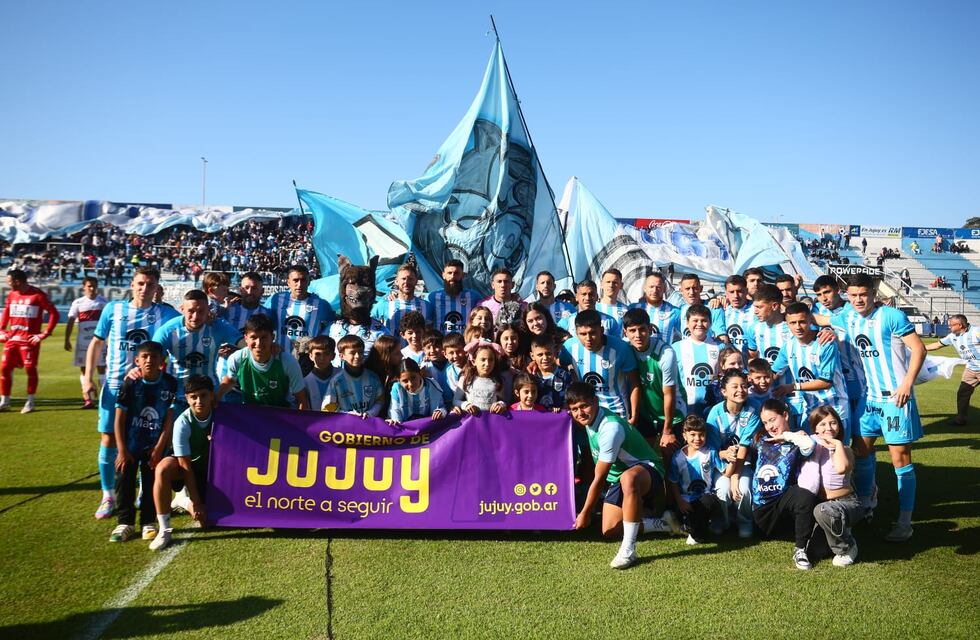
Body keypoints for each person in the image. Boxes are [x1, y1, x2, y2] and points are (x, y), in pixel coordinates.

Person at [814, 273, 926, 542]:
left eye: (863, 295)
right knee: (861, 451)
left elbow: (919, 349)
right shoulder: (847, 316)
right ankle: (865, 505)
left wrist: (906, 385)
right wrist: (788, 306)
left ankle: (904, 521)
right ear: (847, 296)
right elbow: (819, 319)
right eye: (853, 295)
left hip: (895, 398)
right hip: (868, 398)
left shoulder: (891, 316)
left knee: (900, 460)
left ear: (873, 294)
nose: (858, 300)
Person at [84, 267, 180, 519]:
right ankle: (108, 495)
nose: (144, 288)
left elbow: (190, 319)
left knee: (146, 440)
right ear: (132, 284)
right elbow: (96, 342)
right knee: (109, 439)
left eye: (149, 284)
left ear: (157, 287)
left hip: (151, 389)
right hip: (116, 386)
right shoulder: (112, 310)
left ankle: (140, 491)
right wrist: (87, 378)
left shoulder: (166, 313)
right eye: (140, 283)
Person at [567, 382, 678, 570]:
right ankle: (662, 523)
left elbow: (600, 477)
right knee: (610, 530)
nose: (580, 413)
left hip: (648, 472)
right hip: (620, 477)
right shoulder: (588, 419)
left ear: (595, 401)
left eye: (584, 406)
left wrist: (585, 512)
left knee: (628, 479)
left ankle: (628, 549)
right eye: (574, 409)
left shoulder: (610, 428)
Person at [732, 399, 817, 569]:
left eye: (772, 420)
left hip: (785, 503)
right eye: (765, 423)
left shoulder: (796, 439)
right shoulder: (759, 439)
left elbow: (809, 445)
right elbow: (744, 458)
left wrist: (787, 436)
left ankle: (800, 550)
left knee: (804, 495)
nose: (769, 427)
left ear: (785, 415)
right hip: (762, 511)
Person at [109, 341, 178, 543]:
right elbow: (119, 418)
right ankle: (125, 522)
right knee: (125, 481)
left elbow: (168, 420)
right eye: (145, 357)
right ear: (137, 360)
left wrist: (160, 448)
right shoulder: (130, 384)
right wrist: (121, 450)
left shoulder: (170, 383)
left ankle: (148, 521)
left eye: (154, 357)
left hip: (154, 446)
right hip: (130, 445)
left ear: (162, 361)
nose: (149, 361)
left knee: (150, 483)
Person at [150, 375, 214, 551]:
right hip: (189, 468)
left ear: (212, 395)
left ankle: (182, 500)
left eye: (203, 395)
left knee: (209, 522)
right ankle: (164, 528)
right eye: (193, 397)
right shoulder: (183, 422)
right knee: (162, 469)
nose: (199, 401)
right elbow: (185, 466)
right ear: (186, 398)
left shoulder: (222, 416)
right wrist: (197, 502)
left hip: (211, 470)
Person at [152, 289, 241, 413]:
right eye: (191, 311)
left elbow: (245, 344)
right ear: (182, 309)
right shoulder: (168, 330)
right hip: (177, 398)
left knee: (214, 432)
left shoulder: (217, 326)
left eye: (201, 311)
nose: (195, 316)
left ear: (208, 309)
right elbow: (151, 356)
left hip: (210, 397)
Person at [771, 302, 851, 437]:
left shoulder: (825, 343)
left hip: (835, 409)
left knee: (838, 454)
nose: (798, 327)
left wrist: (792, 387)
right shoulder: (788, 347)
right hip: (811, 411)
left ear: (810, 320)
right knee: (810, 455)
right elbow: (773, 373)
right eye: (793, 323)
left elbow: (826, 382)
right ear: (787, 323)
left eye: (802, 322)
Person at [804, 406, 862, 567]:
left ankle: (847, 547)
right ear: (815, 428)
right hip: (823, 504)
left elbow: (842, 468)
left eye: (833, 423)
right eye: (822, 424)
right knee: (816, 552)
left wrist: (836, 444)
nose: (828, 428)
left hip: (847, 503)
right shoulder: (811, 447)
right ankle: (838, 531)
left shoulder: (845, 449)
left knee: (822, 511)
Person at [217, 313, 309, 409]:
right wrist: (215, 399)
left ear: (273, 337)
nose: (259, 343)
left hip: (281, 416)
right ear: (246, 338)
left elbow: (301, 399)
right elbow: (230, 380)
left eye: (264, 337)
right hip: (251, 415)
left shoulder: (287, 361)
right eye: (253, 337)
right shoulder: (237, 358)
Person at [0, 268, 60, 413]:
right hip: (12, 338)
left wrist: (43, 334)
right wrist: (1, 329)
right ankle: (5, 401)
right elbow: (6, 313)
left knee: (30, 368)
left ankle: (30, 401)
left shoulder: (37, 295)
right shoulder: (12, 295)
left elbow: (54, 313)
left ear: (17, 281)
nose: (8, 284)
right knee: (4, 367)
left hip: (28, 340)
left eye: (10, 282)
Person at [622, 308, 680, 458]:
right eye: (632, 330)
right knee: (642, 458)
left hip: (672, 414)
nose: (637, 335)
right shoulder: (625, 349)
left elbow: (669, 394)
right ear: (625, 332)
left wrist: (667, 430)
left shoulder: (665, 353)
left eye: (642, 329)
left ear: (650, 329)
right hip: (645, 414)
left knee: (671, 461)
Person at [563, 310, 640, 421]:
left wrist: (634, 415)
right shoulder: (569, 347)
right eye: (583, 334)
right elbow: (557, 365)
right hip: (584, 412)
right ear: (576, 333)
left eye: (593, 332)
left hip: (615, 410)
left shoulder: (621, 348)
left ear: (602, 330)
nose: (588, 338)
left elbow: (635, 383)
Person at [668, 416, 728, 544]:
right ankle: (688, 526)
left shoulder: (710, 452)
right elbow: (673, 482)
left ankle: (695, 534)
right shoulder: (678, 457)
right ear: (685, 435)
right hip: (685, 500)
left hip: (704, 497)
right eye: (693, 435)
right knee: (685, 514)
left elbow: (725, 471)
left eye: (701, 435)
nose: (697, 439)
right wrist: (679, 501)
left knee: (708, 502)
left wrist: (733, 459)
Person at [263, 264, 335, 358]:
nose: (299, 284)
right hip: (279, 356)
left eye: (303, 280)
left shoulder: (321, 304)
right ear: (288, 282)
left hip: (307, 359)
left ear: (309, 282)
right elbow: (263, 320)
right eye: (295, 280)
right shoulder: (276, 299)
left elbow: (332, 327)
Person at [218, 272, 270, 400]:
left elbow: (268, 344)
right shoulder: (227, 310)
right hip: (225, 375)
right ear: (240, 289)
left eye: (254, 288)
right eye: (246, 288)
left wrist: (239, 350)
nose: (249, 291)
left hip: (255, 375)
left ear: (262, 291)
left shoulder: (269, 314)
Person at [926, 314, 979, 425]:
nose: (949, 327)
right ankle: (961, 419)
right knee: (962, 393)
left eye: (951, 325)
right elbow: (937, 345)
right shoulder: (952, 336)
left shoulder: (976, 332)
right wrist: (918, 348)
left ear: (959, 325)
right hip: (971, 370)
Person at [671, 305, 722, 420]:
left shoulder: (720, 347)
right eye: (695, 320)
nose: (699, 324)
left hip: (712, 407)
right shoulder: (676, 348)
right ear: (687, 323)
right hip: (685, 407)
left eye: (704, 320)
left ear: (710, 323)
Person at [64, 276, 107, 409]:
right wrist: (67, 339)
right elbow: (71, 321)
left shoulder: (103, 302)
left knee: (102, 369)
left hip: (100, 342)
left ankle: (104, 398)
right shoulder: (78, 303)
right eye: (89, 286)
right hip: (83, 343)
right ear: (84, 287)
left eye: (94, 286)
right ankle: (88, 399)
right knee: (84, 370)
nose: (92, 289)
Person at [323, 335, 383, 417]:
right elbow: (328, 408)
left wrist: (370, 413)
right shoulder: (337, 381)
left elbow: (380, 401)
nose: (357, 356)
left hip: (370, 425)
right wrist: (349, 415)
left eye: (360, 352)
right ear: (342, 356)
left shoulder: (373, 377)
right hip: (347, 428)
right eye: (352, 353)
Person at [427, 259, 481, 335]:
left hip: (465, 344)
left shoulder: (474, 296)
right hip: (441, 344)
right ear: (443, 275)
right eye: (449, 273)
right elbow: (427, 323)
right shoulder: (432, 297)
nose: (452, 276)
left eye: (456, 273)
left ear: (462, 275)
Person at [451, 342, 507, 414]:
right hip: (472, 422)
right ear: (474, 362)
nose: (487, 364)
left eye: (491, 360)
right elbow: (455, 401)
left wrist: (501, 404)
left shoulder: (498, 380)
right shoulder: (465, 379)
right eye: (483, 359)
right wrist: (466, 405)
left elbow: (504, 401)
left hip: (490, 422)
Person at [746, 284, 792, 369]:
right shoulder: (754, 328)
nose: (755, 311)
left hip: (790, 382)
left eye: (759, 307)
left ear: (774, 306)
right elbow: (752, 357)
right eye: (755, 307)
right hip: (765, 382)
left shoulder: (793, 328)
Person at [387, 358, 446, 424]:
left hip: (428, 428)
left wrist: (440, 412)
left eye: (413, 378)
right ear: (398, 380)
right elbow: (395, 410)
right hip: (406, 429)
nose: (410, 384)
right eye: (405, 381)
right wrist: (396, 422)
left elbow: (442, 407)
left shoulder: (432, 385)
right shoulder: (397, 388)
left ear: (420, 373)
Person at [629, 272, 682, 344]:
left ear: (664, 289)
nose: (655, 290)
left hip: (663, 354)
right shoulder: (632, 308)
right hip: (636, 354)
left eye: (658, 287)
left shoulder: (674, 312)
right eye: (651, 287)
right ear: (644, 288)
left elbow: (687, 336)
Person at [529, 335, 574, 412]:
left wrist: (562, 408)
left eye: (548, 353)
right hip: (536, 419)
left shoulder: (564, 375)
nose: (545, 358)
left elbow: (569, 400)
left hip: (557, 420)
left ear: (554, 353)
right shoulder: (531, 377)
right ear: (532, 356)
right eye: (540, 355)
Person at [675, 274, 726, 341]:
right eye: (687, 289)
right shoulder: (680, 310)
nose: (691, 292)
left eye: (695, 288)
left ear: (701, 288)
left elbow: (722, 336)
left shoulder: (714, 308)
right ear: (681, 291)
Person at [722, 275, 754, 359]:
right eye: (731, 292)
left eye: (739, 291)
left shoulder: (756, 309)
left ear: (746, 291)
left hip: (752, 366)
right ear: (726, 293)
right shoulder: (722, 310)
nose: (736, 296)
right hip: (731, 366)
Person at [304, 336, 339, 412]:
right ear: (311, 356)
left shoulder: (342, 376)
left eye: (326, 354)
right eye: (318, 354)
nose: (322, 358)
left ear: (333, 356)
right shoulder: (305, 382)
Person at [421, 330, 454, 408]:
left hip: (455, 404)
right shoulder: (425, 367)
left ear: (443, 347)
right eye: (428, 347)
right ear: (423, 350)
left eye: (436, 346)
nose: (432, 351)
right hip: (436, 408)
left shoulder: (452, 363)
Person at [594, 269, 628, 337]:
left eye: (615, 282)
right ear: (601, 284)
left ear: (621, 285)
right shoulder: (593, 307)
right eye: (608, 282)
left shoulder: (626, 310)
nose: (611, 285)